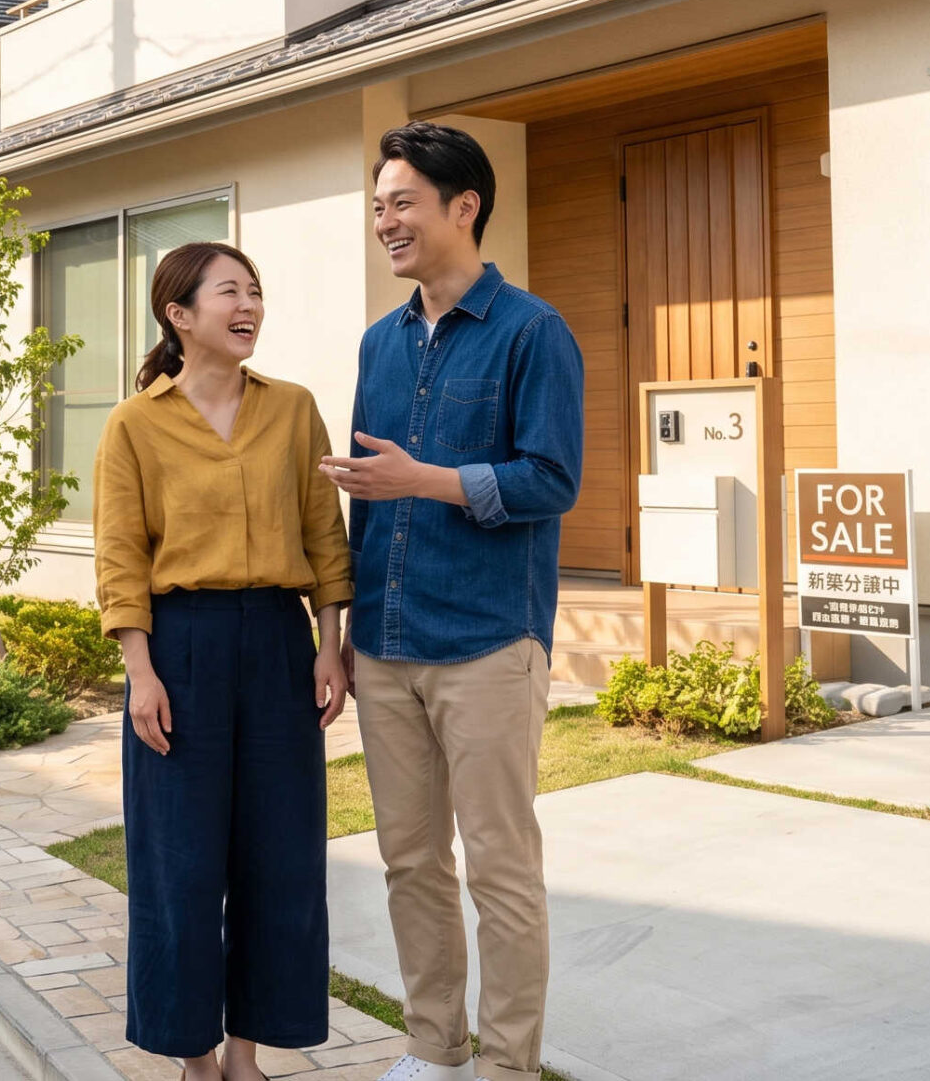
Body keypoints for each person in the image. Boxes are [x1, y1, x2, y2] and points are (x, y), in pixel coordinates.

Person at [319, 123, 583, 1081]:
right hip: (387, 647)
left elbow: (552, 479)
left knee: (502, 871)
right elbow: (370, 493)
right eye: (378, 206)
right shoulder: (378, 344)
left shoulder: (532, 331)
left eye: (403, 203)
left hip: (485, 644)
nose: (385, 221)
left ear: (463, 206)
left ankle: (508, 1066)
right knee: (411, 864)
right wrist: (342, 633)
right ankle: (435, 1050)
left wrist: (423, 479)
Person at [92, 241, 354, 1081]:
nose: (250, 306)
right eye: (230, 292)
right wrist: (141, 672)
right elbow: (121, 556)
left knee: (280, 858)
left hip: (279, 642)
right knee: (181, 861)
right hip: (181, 647)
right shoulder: (135, 424)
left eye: (256, 292)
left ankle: (246, 1054)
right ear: (180, 314)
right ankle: (194, 1057)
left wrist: (330, 646)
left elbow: (325, 535)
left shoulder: (293, 408)